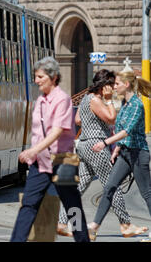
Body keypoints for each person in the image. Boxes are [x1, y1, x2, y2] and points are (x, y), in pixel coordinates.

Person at [57, 69, 148, 238]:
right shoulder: (97, 100)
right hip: (96, 144)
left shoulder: (85, 98)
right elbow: (111, 118)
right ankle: (126, 224)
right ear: (104, 86)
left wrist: (92, 118)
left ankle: (62, 222)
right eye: (111, 85)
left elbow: (78, 120)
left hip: (84, 144)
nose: (113, 88)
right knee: (111, 185)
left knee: (81, 186)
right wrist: (107, 101)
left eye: (116, 85)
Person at [10, 56, 90, 242]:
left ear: (53, 78)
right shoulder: (41, 101)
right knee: (29, 204)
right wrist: (34, 153)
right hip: (40, 163)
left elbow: (57, 131)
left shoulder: (62, 100)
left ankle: (83, 239)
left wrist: (32, 150)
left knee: (72, 207)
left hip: (60, 161)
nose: (37, 80)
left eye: (40, 77)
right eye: (36, 76)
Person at [88, 69, 151, 240]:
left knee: (146, 193)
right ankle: (93, 227)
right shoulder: (124, 103)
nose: (114, 87)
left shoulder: (137, 105)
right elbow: (119, 128)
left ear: (126, 84)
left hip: (138, 154)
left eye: (116, 84)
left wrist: (106, 143)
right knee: (109, 188)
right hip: (125, 153)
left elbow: (126, 131)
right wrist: (117, 149)